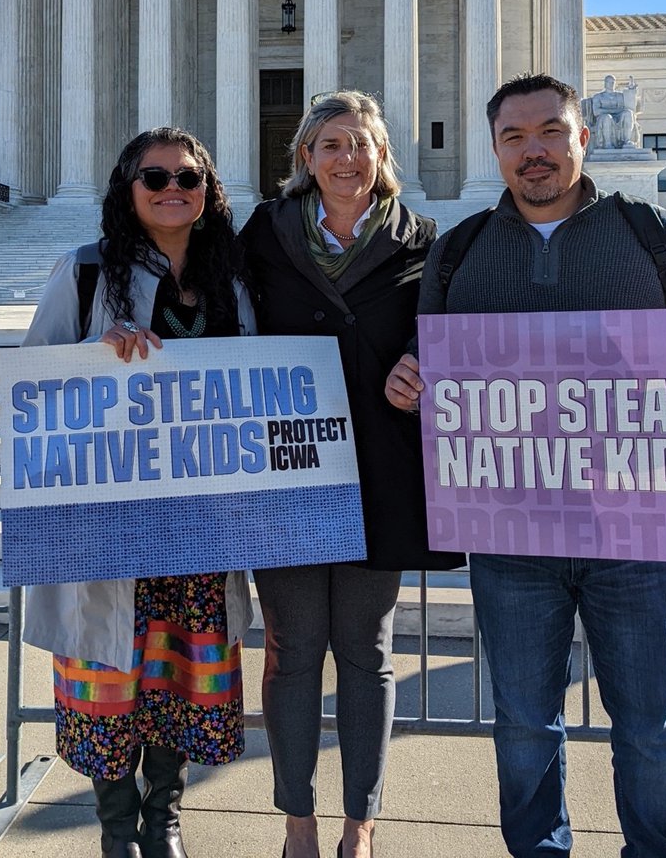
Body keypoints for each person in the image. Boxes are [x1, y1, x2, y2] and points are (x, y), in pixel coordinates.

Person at [385, 73, 666, 858]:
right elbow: (430, 361)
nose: (535, 152)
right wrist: (408, 378)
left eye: (552, 131)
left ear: (584, 136)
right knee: (524, 724)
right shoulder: (458, 253)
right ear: (495, 150)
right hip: (512, 539)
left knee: (651, 727)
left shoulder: (651, 235)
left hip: (639, 536)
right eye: (516, 137)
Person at [240, 91, 463, 858]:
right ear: (306, 157)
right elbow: (217, 316)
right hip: (290, 469)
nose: (347, 159)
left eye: (362, 144)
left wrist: (426, 360)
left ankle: (359, 824)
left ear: (383, 156)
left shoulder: (424, 241)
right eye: (331, 144)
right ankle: (297, 821)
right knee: (292, 649)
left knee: (366, 653)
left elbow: (454, 329)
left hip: (381, 468)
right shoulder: (264, 233)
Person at [22, 127, 256, 858]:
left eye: (187, 175)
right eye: (153, 177)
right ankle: (117, 828)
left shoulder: (232, 277)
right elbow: (32, 387)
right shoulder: (87, 271)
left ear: (208, 190)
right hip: (110, 522)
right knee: (109, 674)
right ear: (128, 190)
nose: (171, 187)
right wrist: (97, 358)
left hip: (199, 521)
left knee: (179, 672)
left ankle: (166, 819)